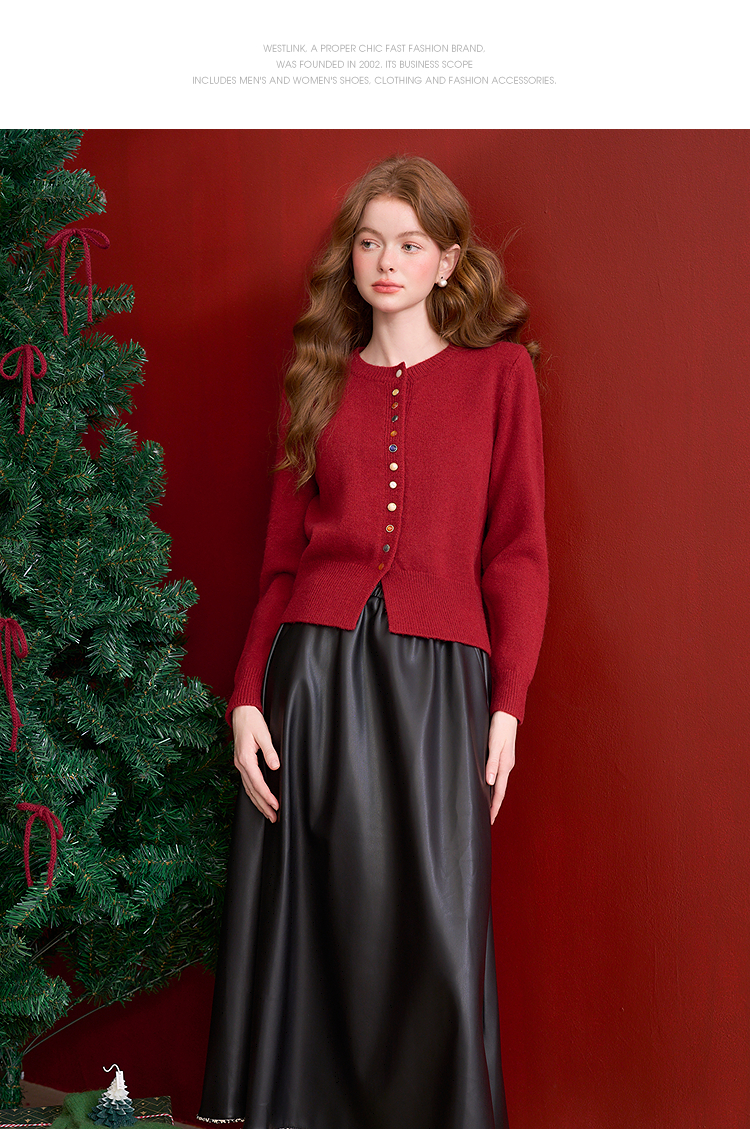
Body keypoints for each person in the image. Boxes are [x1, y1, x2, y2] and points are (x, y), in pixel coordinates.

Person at [198, 156, 549, 1129]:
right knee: (314, 930)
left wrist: (509, 704)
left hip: (442, 683)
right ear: (350, 258)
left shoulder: (502, 377)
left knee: (437, 926)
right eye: (368, 242)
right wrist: (246, 697)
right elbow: (280, 564)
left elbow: (519, 552)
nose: (385, 261)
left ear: (446, 261)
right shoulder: (315, 379)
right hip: (314, 677)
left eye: (408, 243)